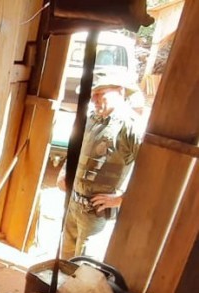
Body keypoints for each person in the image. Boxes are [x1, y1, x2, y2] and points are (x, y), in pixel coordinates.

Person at [58, 73, 143, 258]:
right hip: (74, 205)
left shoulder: (131, 126)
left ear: (120, 92)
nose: (94, 100)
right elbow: (76, 148)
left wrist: (122, 198)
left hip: (97, 214)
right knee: (65, 263)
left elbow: (151, 170)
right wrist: (65, 172)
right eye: (92, 95)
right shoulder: (93, 119)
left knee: (84, 269)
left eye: (100, 93)